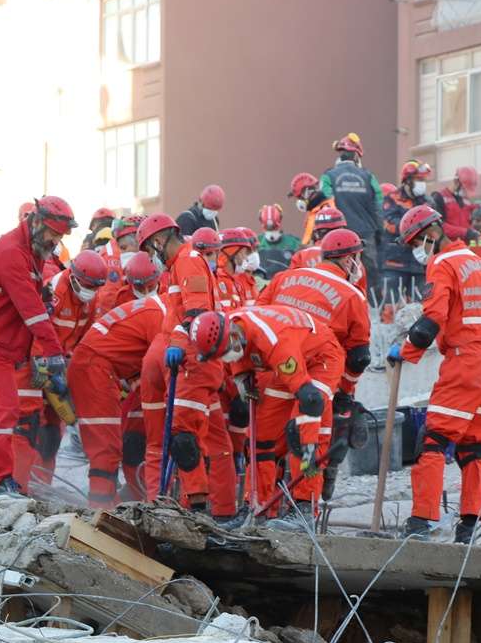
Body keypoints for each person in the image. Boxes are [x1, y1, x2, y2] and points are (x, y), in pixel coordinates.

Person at [389, 205, 481, 544]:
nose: (417, 251)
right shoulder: (480, 264)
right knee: (473, 446)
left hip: (464, 361)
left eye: (416, 243)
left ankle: (420, 522)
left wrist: (406, 350)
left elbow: (432, 320)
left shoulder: (442, 264)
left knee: (433, 438)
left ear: (430, 234)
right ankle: (470, 526)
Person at [0, 197, 73, 499]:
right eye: (53, 234)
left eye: (60, 236)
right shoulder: (11, 252)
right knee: (4, 412)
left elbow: (30, 303)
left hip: (0, 345)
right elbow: (31, 311)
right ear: (36, 223)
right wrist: (53, 353)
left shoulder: (29, 250)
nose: (55, 241)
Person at [258, 228, 372, 506]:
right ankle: (304, 506)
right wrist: (345, 390)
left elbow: (258, 318)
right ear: (348, 260)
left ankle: (262, 506)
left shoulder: (283, 278)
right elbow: (359, 356)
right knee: (308, 441)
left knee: (266, 443)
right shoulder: (352, 295)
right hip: (318, 371)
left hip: (279, 368)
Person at [204, 305, 344, 528]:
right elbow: (241, 348)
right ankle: (256, 507)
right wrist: (241, 374)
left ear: (232, 335)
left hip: (320, 358)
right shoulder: (229, 325)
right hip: (283, 360)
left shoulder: (275, 341)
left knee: (303, 432)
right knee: (260, 436)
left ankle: (304, 508)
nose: (227, 358)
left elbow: (309, 398)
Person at [136, 213, 236, 517]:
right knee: (203, 438)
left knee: (183, 438)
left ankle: (197, 508)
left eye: (150, 250)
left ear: (158, 241)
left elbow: (197, 316)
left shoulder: (187, 261)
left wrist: (177, 344)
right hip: (196, 360)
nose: (151, 258)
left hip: (193, 362)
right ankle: (215, 509)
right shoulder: (183, 263)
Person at [68, 282, 166, 507]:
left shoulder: (154, 309)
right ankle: (101, 506)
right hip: (95, 369)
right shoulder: (161, 317)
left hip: (102, 367)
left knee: (126, 438)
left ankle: (121, 497)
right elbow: (160, 367)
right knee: (106, 445)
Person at [321, 133, 386, 305]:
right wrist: (380, 231)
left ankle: (341, 305)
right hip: (366, 233)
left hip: (339, 234)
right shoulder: (369, 177)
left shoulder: (328, 177)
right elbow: (379, 206)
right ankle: (373, 308)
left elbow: (326, 204)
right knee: (370, 273)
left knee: (339, 271)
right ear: (356, 155)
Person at [382, 159, 433, 303]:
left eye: (423, 180)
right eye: (418, 179)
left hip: (420, 264)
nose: (422, 183)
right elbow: (390, 224)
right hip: (395, 263)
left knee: (419, 307)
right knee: (389, 306)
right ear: (407, 180)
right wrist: (416, 229)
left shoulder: (428, 202)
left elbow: (434, 229)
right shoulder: (392, 198)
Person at [432, 166, 478, 244]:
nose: (465, 192)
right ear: (456, 181)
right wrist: (465, 232)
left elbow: (467, 226)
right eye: (464, 188)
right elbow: (438, 226)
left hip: (463, 247)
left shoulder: (466, 202)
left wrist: (473, 232)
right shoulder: (439, 197)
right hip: (446, 247)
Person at [289, 172, 336, 245]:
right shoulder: (314, 211)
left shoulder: (326, 209)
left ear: (307, 192)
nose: (299, 201)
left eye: (299, 197)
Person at [256, 204, 299, 279]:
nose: (271, 231)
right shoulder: (256, 242)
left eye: (274, 227)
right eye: (268, 228)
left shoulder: (294, 242)